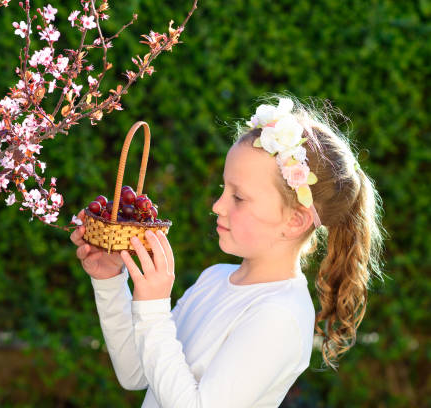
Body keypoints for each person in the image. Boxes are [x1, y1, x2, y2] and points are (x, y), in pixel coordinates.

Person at [70, 94, 385, 407]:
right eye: (224, 189)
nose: (217, 206)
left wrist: (154, 310)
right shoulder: (215, 279)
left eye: (239, 197)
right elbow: (136, 372)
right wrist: (110, 280)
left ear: (294, 221)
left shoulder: (280, 315)